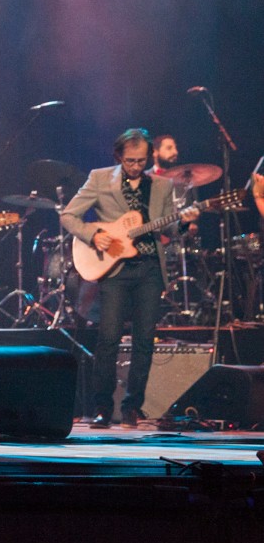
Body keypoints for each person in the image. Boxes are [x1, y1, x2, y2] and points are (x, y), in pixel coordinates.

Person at [61, 128, 198, 428]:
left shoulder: (161, 185)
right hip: (116, 270)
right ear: (119, 156)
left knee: (144, 341)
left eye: (141, 160)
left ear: (149, 156)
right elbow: (68, 215)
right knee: (108, 338)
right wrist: (94, 235)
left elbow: (168, 229)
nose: (136, 166)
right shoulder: (99, 178)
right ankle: (101, 407)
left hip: (149, 268)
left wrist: (185, 225)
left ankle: (133, 406)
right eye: (130, 160)